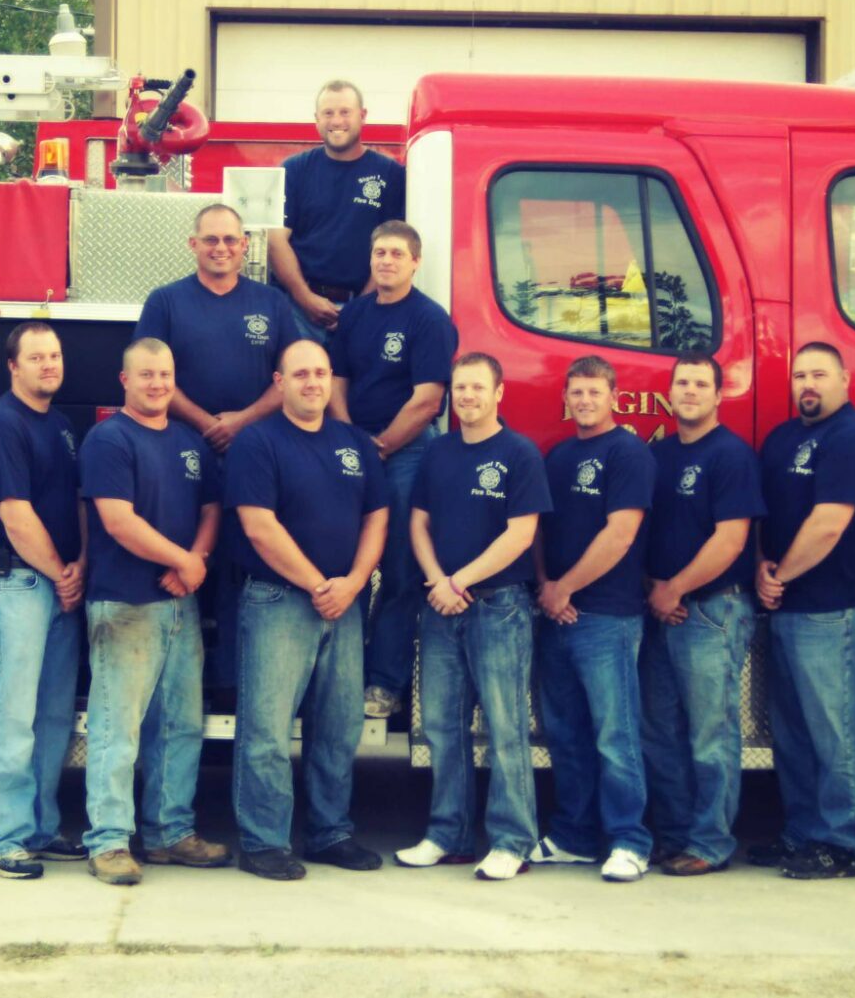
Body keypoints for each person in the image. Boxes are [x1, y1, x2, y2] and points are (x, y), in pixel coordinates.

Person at [228, 339, 390, 881]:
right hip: (279, 600)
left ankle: (330, 833)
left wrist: (354, 584)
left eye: (321, 373)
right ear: (279, 382)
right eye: (300, 374)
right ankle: (264, 841)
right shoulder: (258, 442)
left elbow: (377, 518)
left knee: (339, 727)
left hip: (344, 602)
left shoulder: (354, 444)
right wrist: (322, 584)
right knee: (268, 730)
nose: (313, 382)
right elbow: (258, 525)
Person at [80, 338, 232, 886]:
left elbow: (212, 508)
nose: (157, 384)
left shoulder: (190, 442)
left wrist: (197, 560)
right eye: (146, 375)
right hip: (125, 604)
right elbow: (118, 520)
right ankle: (109, 841)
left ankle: (170, 833)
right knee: (118, 729)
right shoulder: (108, 439)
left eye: (165, 374)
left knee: (180, 726)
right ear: (125, 380)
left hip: (177, 605)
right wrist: (184, 561)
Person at [395, 352, 550, 881]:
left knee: (506, 728)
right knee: (442, 727)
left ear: (499, 392)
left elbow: (521, 536)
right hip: (441, 608)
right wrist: (439, 580)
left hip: (499, 608)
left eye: (477, 388)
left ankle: (512, 842)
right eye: (460, 388)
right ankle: (448, 834)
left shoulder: (519, 454)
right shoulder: (438, 453)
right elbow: (419, 524)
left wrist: (459, 582)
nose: (467, 397)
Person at [135, 202, 297, 693]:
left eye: (230, 240)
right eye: (211, 240)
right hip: (180, 450)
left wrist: (242, 422)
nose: (221, 248)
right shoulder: (165, 302)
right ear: (193, 245)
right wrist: (208, 424)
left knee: (240, 569)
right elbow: (152, 376)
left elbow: (290, 376)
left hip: (254, 456)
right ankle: (174, 688)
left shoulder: (272, 303)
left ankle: (231, 687)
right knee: (180, 562)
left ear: (245, 246)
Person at [750, 342, 855, 880]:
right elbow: (765, 513)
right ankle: (802, 836)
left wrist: (778, 577)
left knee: (836, 734)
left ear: (844, 380)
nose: (809, 384)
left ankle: (841, 844)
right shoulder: (783, 439)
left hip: (838, 609)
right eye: (800, 375)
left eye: (820, 375)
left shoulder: (852, 437)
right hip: (790, 607)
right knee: (795, 735)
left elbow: (829, 523)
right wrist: (762, 564)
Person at [0, 321, 89, 878]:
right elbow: (15, 517)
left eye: (56, 355)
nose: (49, 364)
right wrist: (63, 573)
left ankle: (39, 827)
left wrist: (77, 567)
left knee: (53, 717)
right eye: (37, 357)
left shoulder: (60, 425)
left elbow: (77, 504)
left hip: (58, 586)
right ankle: (1, 839)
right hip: (16, 585)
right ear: (12, 365)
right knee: (14, 716)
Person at [638, 352, 765, 877]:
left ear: (718, 395)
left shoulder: (731, 456)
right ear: (670, 392)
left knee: (710, 733)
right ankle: (671, 836)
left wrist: (676, 589)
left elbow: (731, 540)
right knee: (658, 730)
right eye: (681, 382)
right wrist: (655, 590)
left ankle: (710, 842)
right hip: (661, 609)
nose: (689, 391)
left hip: (713, 609)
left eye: (700, 384)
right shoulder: (658, 455)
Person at [530, 356, 656, 883]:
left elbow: (620, 534)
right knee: (565, 735)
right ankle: (574, 837)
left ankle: (629, 840)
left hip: (607, 615)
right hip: (556, 615)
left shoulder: (628, 452)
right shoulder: (557, 456)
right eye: (576, 393)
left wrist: (565, 587)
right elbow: (536, 527)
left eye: (593, 392)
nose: (584, 401)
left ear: (613, 396)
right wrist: (545, 588)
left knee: (614, 733)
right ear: (567, 398)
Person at [328, 220, 456, 721]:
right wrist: (349, 438)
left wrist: (378, 447)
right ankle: (342, 677)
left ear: (415, 262)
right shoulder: (355, 315)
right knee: (347, 565)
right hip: (353, 451)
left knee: (400, 573)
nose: (386, 261)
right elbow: (337, 378)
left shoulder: (429, 320)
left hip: (404, 455)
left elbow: (428, 401)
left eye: (397, 254)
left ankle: (384, 684)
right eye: (379, 252)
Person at [267, 79, 406, 339]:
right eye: (328, 113)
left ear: (362, 116)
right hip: (299, 312)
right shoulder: (294, 170)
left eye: (345, 112)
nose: (336, 121)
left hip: (366, 310)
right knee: (302, 380)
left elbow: (395, 245)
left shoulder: (390, 174)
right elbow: (276, 240)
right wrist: (305, 298)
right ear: (316, 119)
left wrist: (362, 308)